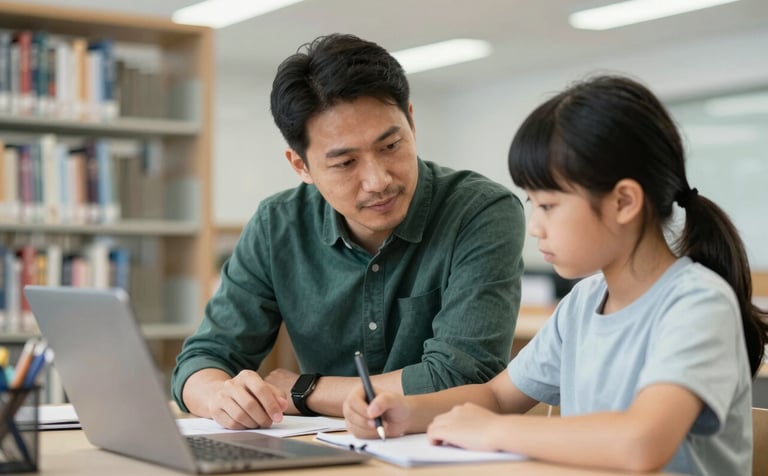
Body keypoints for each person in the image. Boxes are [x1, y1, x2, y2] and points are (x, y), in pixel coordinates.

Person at [343, 75, 768, 475]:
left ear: (624, 202)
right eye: (533, 204)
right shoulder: (584, 301)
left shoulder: (697, 303)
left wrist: (495, 431)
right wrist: (406, 412)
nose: (535, 227)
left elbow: (642, 442)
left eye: (548, 205)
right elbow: (497, 397)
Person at [171, 33, 526, 429]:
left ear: (411, 122)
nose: (377, 181)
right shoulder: (278, 224)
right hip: (321, 447)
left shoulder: (480, 211)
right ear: (301, 166)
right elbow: (203, 359)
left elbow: (463, 378)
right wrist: (221, 396)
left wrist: (304, 390)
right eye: (345, 163)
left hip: (444, 445)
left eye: (390, 146)